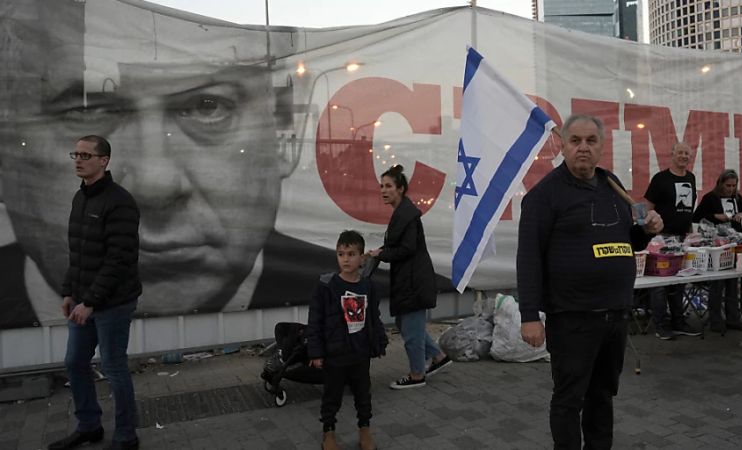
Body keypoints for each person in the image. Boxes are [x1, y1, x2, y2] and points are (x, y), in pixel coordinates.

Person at [0, 0, 347, 330]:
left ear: (285, 130)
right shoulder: (342, 283)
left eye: (208, 106)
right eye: (87, 111)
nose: (155, 184)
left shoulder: (344, 281)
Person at [517, 114, 663, 449]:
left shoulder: (611, 185)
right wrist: (529, 317)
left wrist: (646, 230)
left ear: (601, 146)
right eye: (576, 141)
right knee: (569, 399)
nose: (583, 147)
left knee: (603, 395)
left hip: (615, 314)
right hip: (571, 317)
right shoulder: (544, 196)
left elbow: (629, 239)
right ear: (563, 145)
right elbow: (528, 259)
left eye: (591, 141)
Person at [49, 136, 141, 450]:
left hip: (113, 302)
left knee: (114, 367)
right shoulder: (81, 197)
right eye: (75, 153)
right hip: (83, 299)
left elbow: (118, 260)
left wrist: (90, 302)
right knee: (75, 362)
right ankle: (89, 426)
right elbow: (79, 254)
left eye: (86, 154)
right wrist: (68, 292)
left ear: (104, 161)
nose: (78, 159)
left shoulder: (120, 202)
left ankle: (126, 436)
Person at [368, 165, 452, 389]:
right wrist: (382, 252)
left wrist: (381, 253)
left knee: (412, 332)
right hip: (410, 280)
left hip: (414, 283)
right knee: (406, 325)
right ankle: (439, 357)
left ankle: (417, 376)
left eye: (388, 186)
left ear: (401, 189)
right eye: (381, 186)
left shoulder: (407, 215)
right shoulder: (403, 212)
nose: (383, 190)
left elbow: (406, 249)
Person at [307, 230, 387, 450]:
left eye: (351, 254)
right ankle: (328, 434)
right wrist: (316, 352)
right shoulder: (326, 286)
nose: (345, 259)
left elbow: (374, 317)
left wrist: (379, 342)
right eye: (341, 253)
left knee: (363, 395)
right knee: (331, 397)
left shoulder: (368, 286)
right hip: (335, 355)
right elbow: (315, 320)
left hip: (360, 354)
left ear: (362, 258)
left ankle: (365, 431)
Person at [643, 142, 702, 340]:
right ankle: (660, 323)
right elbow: (648, 206)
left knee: (679, 281)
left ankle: (678, 320)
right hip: (661, 238)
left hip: (682, 237)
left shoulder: (691, 178)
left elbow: (689, 209)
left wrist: (690, 234)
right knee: (660, 283)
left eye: (687, 153)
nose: (684, 156)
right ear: (672, 154)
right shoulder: (661, 179)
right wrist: (652, 231)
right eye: (680, 152)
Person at [693, 169, 742, 333]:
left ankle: (733, 317)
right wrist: (716, 216)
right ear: (720, 183)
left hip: (735, 242)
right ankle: (715, 319)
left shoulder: (737, 198)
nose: (730, 189)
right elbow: (696, 216)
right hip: (717, 244)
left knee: (733, 281)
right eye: (728, 185)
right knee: (717, 282)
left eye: (733, 186)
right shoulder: (710, 198)